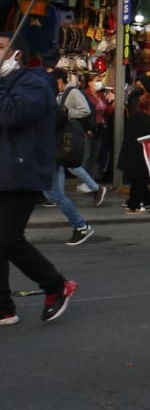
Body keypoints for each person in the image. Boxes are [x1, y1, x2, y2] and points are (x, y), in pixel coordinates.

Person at [0, 31, 78, 325]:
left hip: (21, 171)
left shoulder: (34, 83)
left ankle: (55, 285)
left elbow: (9, 115)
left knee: (7, 237)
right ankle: (3, 307)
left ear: (16, 53)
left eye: (0, 47)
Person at [54, 70, 106, 201]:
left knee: (70, 164)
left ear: (59, 80)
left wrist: (67, 113)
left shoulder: (73, 92)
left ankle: (95, 188)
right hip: (64, 133)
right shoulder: (61, 93)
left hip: (70, 133)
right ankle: (59, 195)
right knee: (61, 163)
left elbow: (85, 110)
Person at [118, 90, 150, 213]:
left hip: (130, 154)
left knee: (138, 181)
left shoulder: (135, 118)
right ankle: (134, 206)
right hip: (142, 156)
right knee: (139, 181)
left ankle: (148, 201)